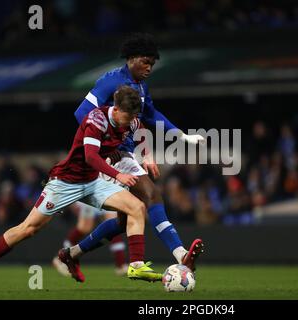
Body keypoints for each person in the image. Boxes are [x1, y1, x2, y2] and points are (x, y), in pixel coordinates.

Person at [0, 86, 162, 293]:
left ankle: (135, 266)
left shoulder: (131, 120)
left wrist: (147, 157)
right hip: (66, 182)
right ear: (115, 109)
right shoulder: (96, 119)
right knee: (28, 229)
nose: (129, 121)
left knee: (136, 208)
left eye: (133, 116)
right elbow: (90, 157)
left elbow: (140, 131)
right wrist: (119, 174)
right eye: (127, 116)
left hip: (93, 182)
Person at [60, 33, 204, 278]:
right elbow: (81, 113)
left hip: (125, 152)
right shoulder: (111, 82)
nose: (149, 67)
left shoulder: (140, 87)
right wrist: (105, 145)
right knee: (152, 194)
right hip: (108, 156)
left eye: (152, 63)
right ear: (132, 58)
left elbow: (150, 116)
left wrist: (180, 136)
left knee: (121, 222)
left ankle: (71, 254)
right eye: (145, 62)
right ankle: (180, 254)